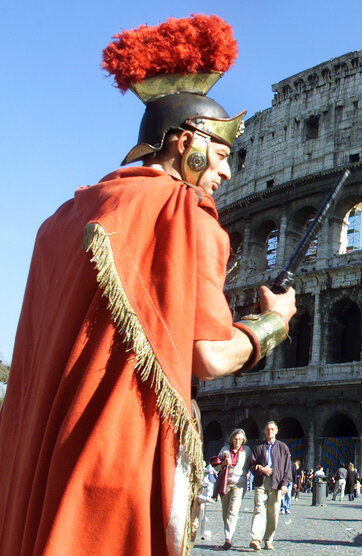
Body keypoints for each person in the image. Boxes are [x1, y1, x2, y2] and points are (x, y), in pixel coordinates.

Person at [0, 15, 297, 556]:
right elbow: (208, 356)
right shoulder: (185, 215)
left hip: (41, 458)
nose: (227, 175)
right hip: (122, 454)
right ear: (188, 143)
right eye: (224, 155)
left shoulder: (62, 221)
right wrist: (273, 322)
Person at [248, 421, 293, 551]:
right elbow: (252, 464)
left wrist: (285, 484)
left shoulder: (283, 447)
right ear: (264, 431)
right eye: (267, 429)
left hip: (277, 483)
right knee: (259, 510)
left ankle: (268, 539)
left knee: (273, 514)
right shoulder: (258, 447)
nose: (270, 431)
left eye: (272, 429)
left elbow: (287, 468)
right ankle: (256, 539)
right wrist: (261, 470)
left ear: (276, 431)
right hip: (261, 482)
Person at [213, 429, 253, 550]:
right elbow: (216, 468)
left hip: (239, 483)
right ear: (232, 439)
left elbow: (251, 464)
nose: (238, 441)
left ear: (243, 440)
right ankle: (229, 534)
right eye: (236, 439)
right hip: (225, 483)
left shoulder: (247, 451)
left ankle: (228, 538)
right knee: (225, 511)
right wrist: (224, 463)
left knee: (233, 510)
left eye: (240, 439)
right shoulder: (225, 449)